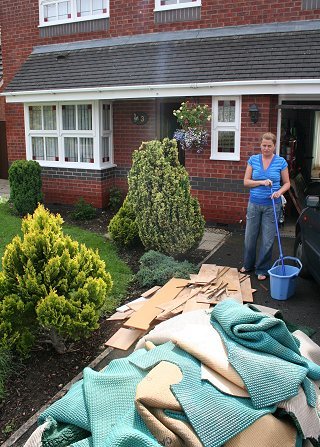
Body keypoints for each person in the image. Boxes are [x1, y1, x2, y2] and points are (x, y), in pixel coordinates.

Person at [240, 132, 290, 280]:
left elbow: (287, 183)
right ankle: (248, 264)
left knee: (267, 240)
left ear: (274, 146)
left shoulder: (281, 162)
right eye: (264, 145)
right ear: (260, 145)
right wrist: (261, 182)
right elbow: (246, 182)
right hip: (254, 204)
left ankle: (262, 269)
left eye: (269, 146)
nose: (266, 148)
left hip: (272, 206)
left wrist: (279, 192)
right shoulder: (253, 160)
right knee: (250, 237)